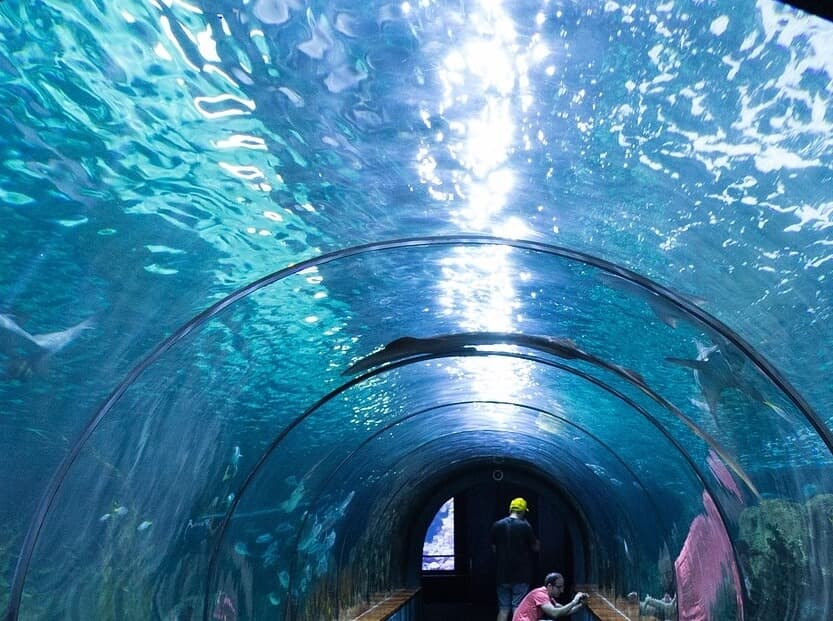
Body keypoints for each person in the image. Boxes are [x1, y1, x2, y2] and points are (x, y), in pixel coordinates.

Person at [491, 497, 540, 621]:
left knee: (503, 609)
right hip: (521, 575)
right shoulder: (525, 526)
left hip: (501, 574)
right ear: (523, 511)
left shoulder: (497, 525)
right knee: (518, 608)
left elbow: (494, 549)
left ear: (510, 509)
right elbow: (536, 547)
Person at [513, 572, 588, 620]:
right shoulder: (540, 594)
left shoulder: (549, 597)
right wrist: (574, 601)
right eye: (559, 587)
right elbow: (554, 613)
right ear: (549, 586)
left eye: (562, 587)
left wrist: (580, 605)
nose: (562, 591)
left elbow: (564, 611)